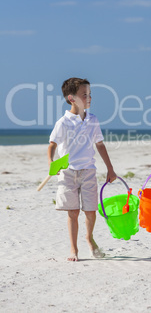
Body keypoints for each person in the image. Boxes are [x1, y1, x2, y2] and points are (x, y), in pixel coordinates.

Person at [48, 77, 116, 261]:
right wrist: (51, 163)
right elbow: (52, 144)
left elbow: (100, 145)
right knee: (73, 212)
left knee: (91, 210)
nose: (89, 98)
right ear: (71, 98)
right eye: (84, 94)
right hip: (68, 172)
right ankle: (73, 249)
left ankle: (89, 237)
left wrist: (110, 168)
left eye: (89, 94)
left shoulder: (92, 120)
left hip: (88, 171)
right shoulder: (63, 122)